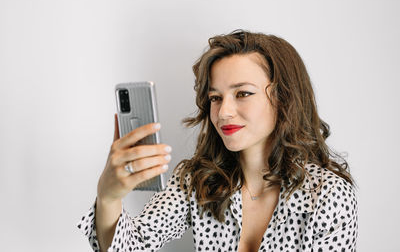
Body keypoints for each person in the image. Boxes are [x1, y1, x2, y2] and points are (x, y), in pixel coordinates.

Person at [78, 30, 358, 252]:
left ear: (284, 98)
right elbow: (132, 247)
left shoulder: (328, 195)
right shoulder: (195, 180)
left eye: (243, 94)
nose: (223, 112)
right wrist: (109, 196)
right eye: (215, 98)